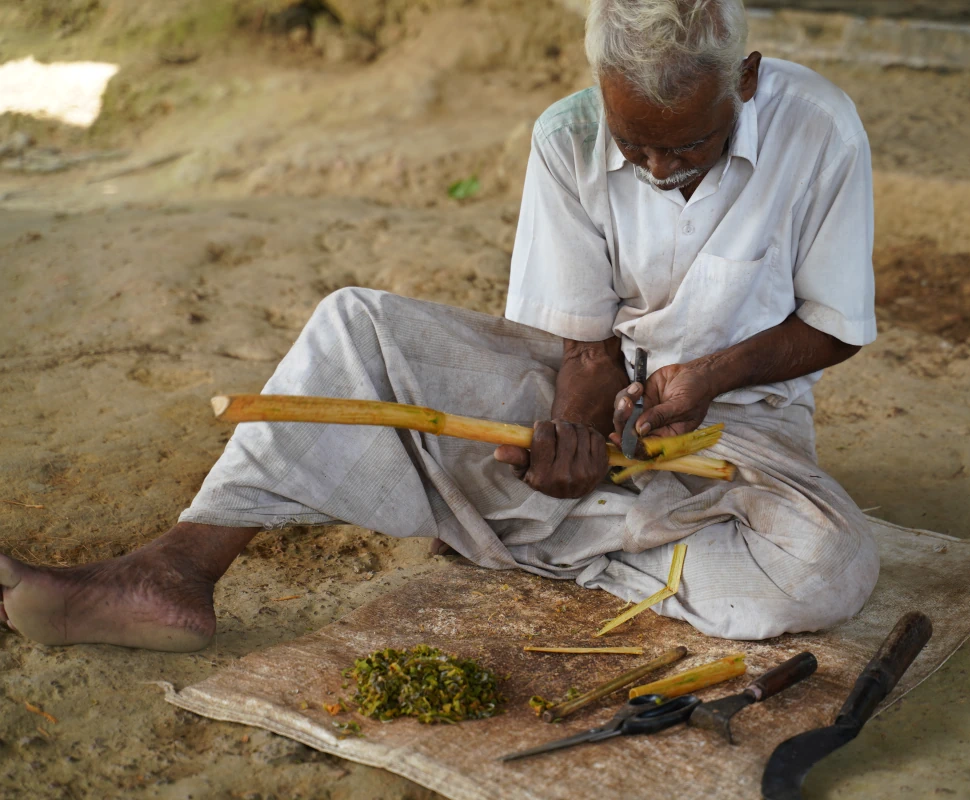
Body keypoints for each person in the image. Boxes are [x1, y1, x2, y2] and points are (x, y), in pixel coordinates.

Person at [0, 0, 879, 651]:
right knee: (357, 331)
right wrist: (570, 435)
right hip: (597, 392)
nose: (654, 170)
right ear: (600, 93)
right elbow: (584, 346)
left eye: (686, 147)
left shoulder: (821, 129)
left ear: (748, 79)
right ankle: (178, 568)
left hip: (741, 425)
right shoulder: (565, 136)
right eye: (634, 144)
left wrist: (709, 377)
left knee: (824, 569)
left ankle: (505, 522)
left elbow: (836, 325)